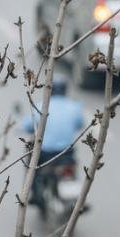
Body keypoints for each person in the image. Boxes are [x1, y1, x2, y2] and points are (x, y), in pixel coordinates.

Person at [21, 76, 84, 206]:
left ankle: (34, 193)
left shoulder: (41, 107)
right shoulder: (74, 107)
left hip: (45, 152)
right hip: (66, 151)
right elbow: (80, 124)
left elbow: (27, 125)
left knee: (31, 167)